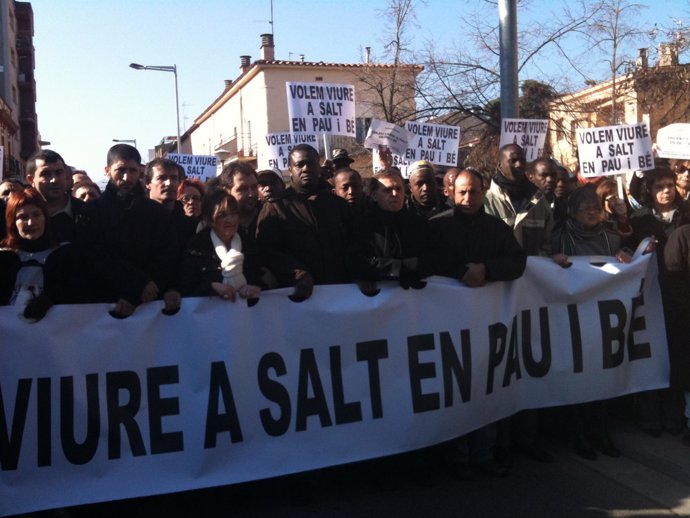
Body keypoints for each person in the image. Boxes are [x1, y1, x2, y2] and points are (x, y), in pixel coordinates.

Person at [425, 168, 526, 478]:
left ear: (483, 192)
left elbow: (517, 262)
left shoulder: (497, 228)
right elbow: (427, 262)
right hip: (448, 324)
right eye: (462, 192)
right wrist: (460, 271)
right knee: (455, 389)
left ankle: (483, 455)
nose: (468, 198)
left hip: (487, 323)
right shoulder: (436, 227)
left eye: (474, 192)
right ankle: (456, 458)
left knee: (486, 386)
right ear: (452, 193)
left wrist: (487, 269)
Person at [552, 187, 632, 460]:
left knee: (602, 377)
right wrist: (554, 262)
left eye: (595, 207)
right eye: (584, 208)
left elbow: (629, 257)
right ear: (573, 213)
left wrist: (627, 255)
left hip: (603, 320)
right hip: (573, 319)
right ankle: (579, 434)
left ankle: (600, 432)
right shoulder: (561, 238)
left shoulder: (611, 238)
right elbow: (542, 264)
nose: (591, 212)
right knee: (578, 378)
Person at [80, 144, 178, 318]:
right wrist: (135, 284)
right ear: (107, 170)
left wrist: (150, 286)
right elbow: (93, 257)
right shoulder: (91, 212)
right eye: (121, 170)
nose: (127, 177)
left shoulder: (158, 213)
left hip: (152, 304)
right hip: (106, 306)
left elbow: (168, 256)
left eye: (133, 170)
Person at [256, 143, 351, 300]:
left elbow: (353, 243)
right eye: (299, 165)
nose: (306, 169)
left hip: (339, 293)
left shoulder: (338, 205)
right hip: (297, 298)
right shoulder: (275, 208)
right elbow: (267, 251)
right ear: (290, 170)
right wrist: (296, 272)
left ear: (319, 168)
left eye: (311, 163)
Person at [0, 188, 88, 321]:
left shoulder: (68, 254)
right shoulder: (4, 258)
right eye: (23, 217)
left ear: (45, 217)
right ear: (12, 222)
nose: (31, 223)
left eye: (36, 215)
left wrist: (51, 298)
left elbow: (81, 293)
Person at [350, 168, 428, 295]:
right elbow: (358, 261)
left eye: (398, 189)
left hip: (414, 300)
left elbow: (433, 256)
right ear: (374, 195)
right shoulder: (362, 225)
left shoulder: (418, 223)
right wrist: (401, 268)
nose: (394, 194)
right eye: (387, 190)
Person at [179, 189, 261, 302]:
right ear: (209, 219)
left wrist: (254, 288)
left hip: (246, 315)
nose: (231, 220)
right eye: (222, 215)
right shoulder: (196, 247)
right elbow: (186, 287)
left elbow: (261, 278)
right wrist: (211, 287)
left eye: (234, 213)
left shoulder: (248, 243)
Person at [26, 149, 86, 243]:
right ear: (31, 180)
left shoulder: (87, 212)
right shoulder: (23, 216)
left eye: (59, 172)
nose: (54, 180)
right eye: (46, 174)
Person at [219, 162, 260, 245]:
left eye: (254, 187)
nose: (250, 194)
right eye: (243, 189)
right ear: (226, 191)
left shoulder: (270, 219)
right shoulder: (217, 226)